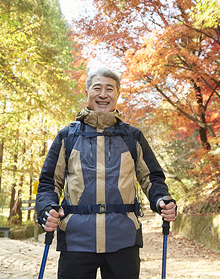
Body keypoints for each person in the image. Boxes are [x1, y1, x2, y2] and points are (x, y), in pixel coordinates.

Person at [35, 67, 177, 279]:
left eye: (109, 89)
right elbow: (49, 183)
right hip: (76, 240)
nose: (103, 94)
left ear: (117, 94)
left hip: (123, 239)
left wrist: (161, 200)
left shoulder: (133, 137)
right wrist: (46, 208)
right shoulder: (68, 136)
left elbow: (152, 178)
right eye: (97, 88)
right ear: (87, 93)